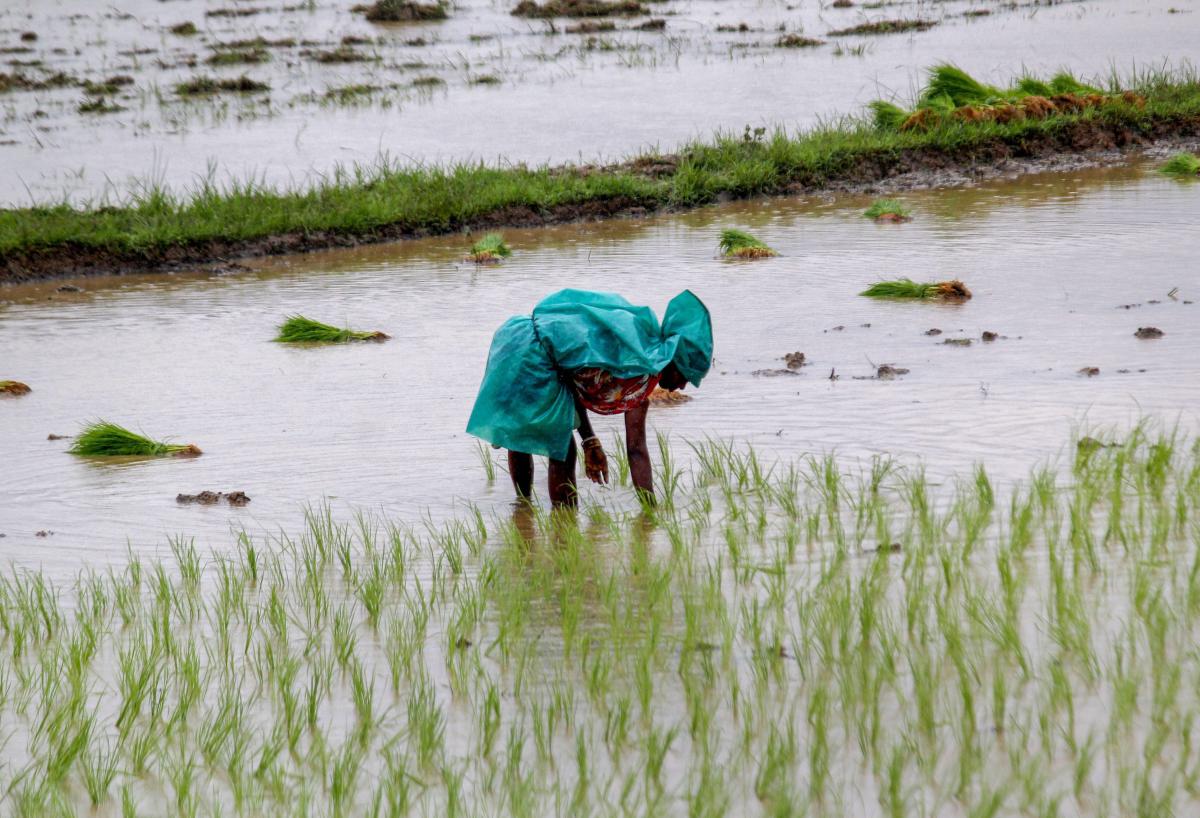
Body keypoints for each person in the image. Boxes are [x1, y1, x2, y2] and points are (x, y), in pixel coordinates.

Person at [467, 289, 713, 507]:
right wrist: (589, 441)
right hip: (533, 349)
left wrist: (650, 512)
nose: (681, 385)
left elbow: (636, 450)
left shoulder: (639, 374)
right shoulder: (632, 365)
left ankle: (523, 516)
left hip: (517, 341)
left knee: (523, 437)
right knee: (562, 447)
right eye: (684, 375)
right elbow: (571, 379)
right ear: (673, 360)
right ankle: (563, 529)